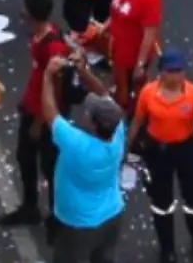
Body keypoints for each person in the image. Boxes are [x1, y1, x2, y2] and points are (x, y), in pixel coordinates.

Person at [129, 49, 193, 263]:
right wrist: (128, 148)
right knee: (161, 204)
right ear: (162, 73)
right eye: (172, 71)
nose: (178, 75)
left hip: (186, 149)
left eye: (180, 70)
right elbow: (137, 121)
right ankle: (167, 249)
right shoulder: (148, 93)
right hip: (157, 152)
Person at [1, 0, 72, 229]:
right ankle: (30, 207)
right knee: (25, 159)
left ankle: (56, 218)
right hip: (31, 109)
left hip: (44, 119)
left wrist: (40, 123)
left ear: (31, 15)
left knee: (50, 169)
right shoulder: (40, 36)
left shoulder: (53, 47)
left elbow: (55, 89)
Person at [43, 69, 129, 261]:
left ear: (94, 124)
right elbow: (104, 94)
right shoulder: (117, 133)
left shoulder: (77, 144)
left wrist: (48, 75)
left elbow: (50, 113)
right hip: (111, 215)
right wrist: (85, 71)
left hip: (78, 222)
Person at [105, 0, 163, 107]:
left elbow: (149, 34)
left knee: (129, 92)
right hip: (118, 48)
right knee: (119, 82)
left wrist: (140, 64)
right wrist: (107, 25)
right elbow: (119, 6)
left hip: (131, 55)